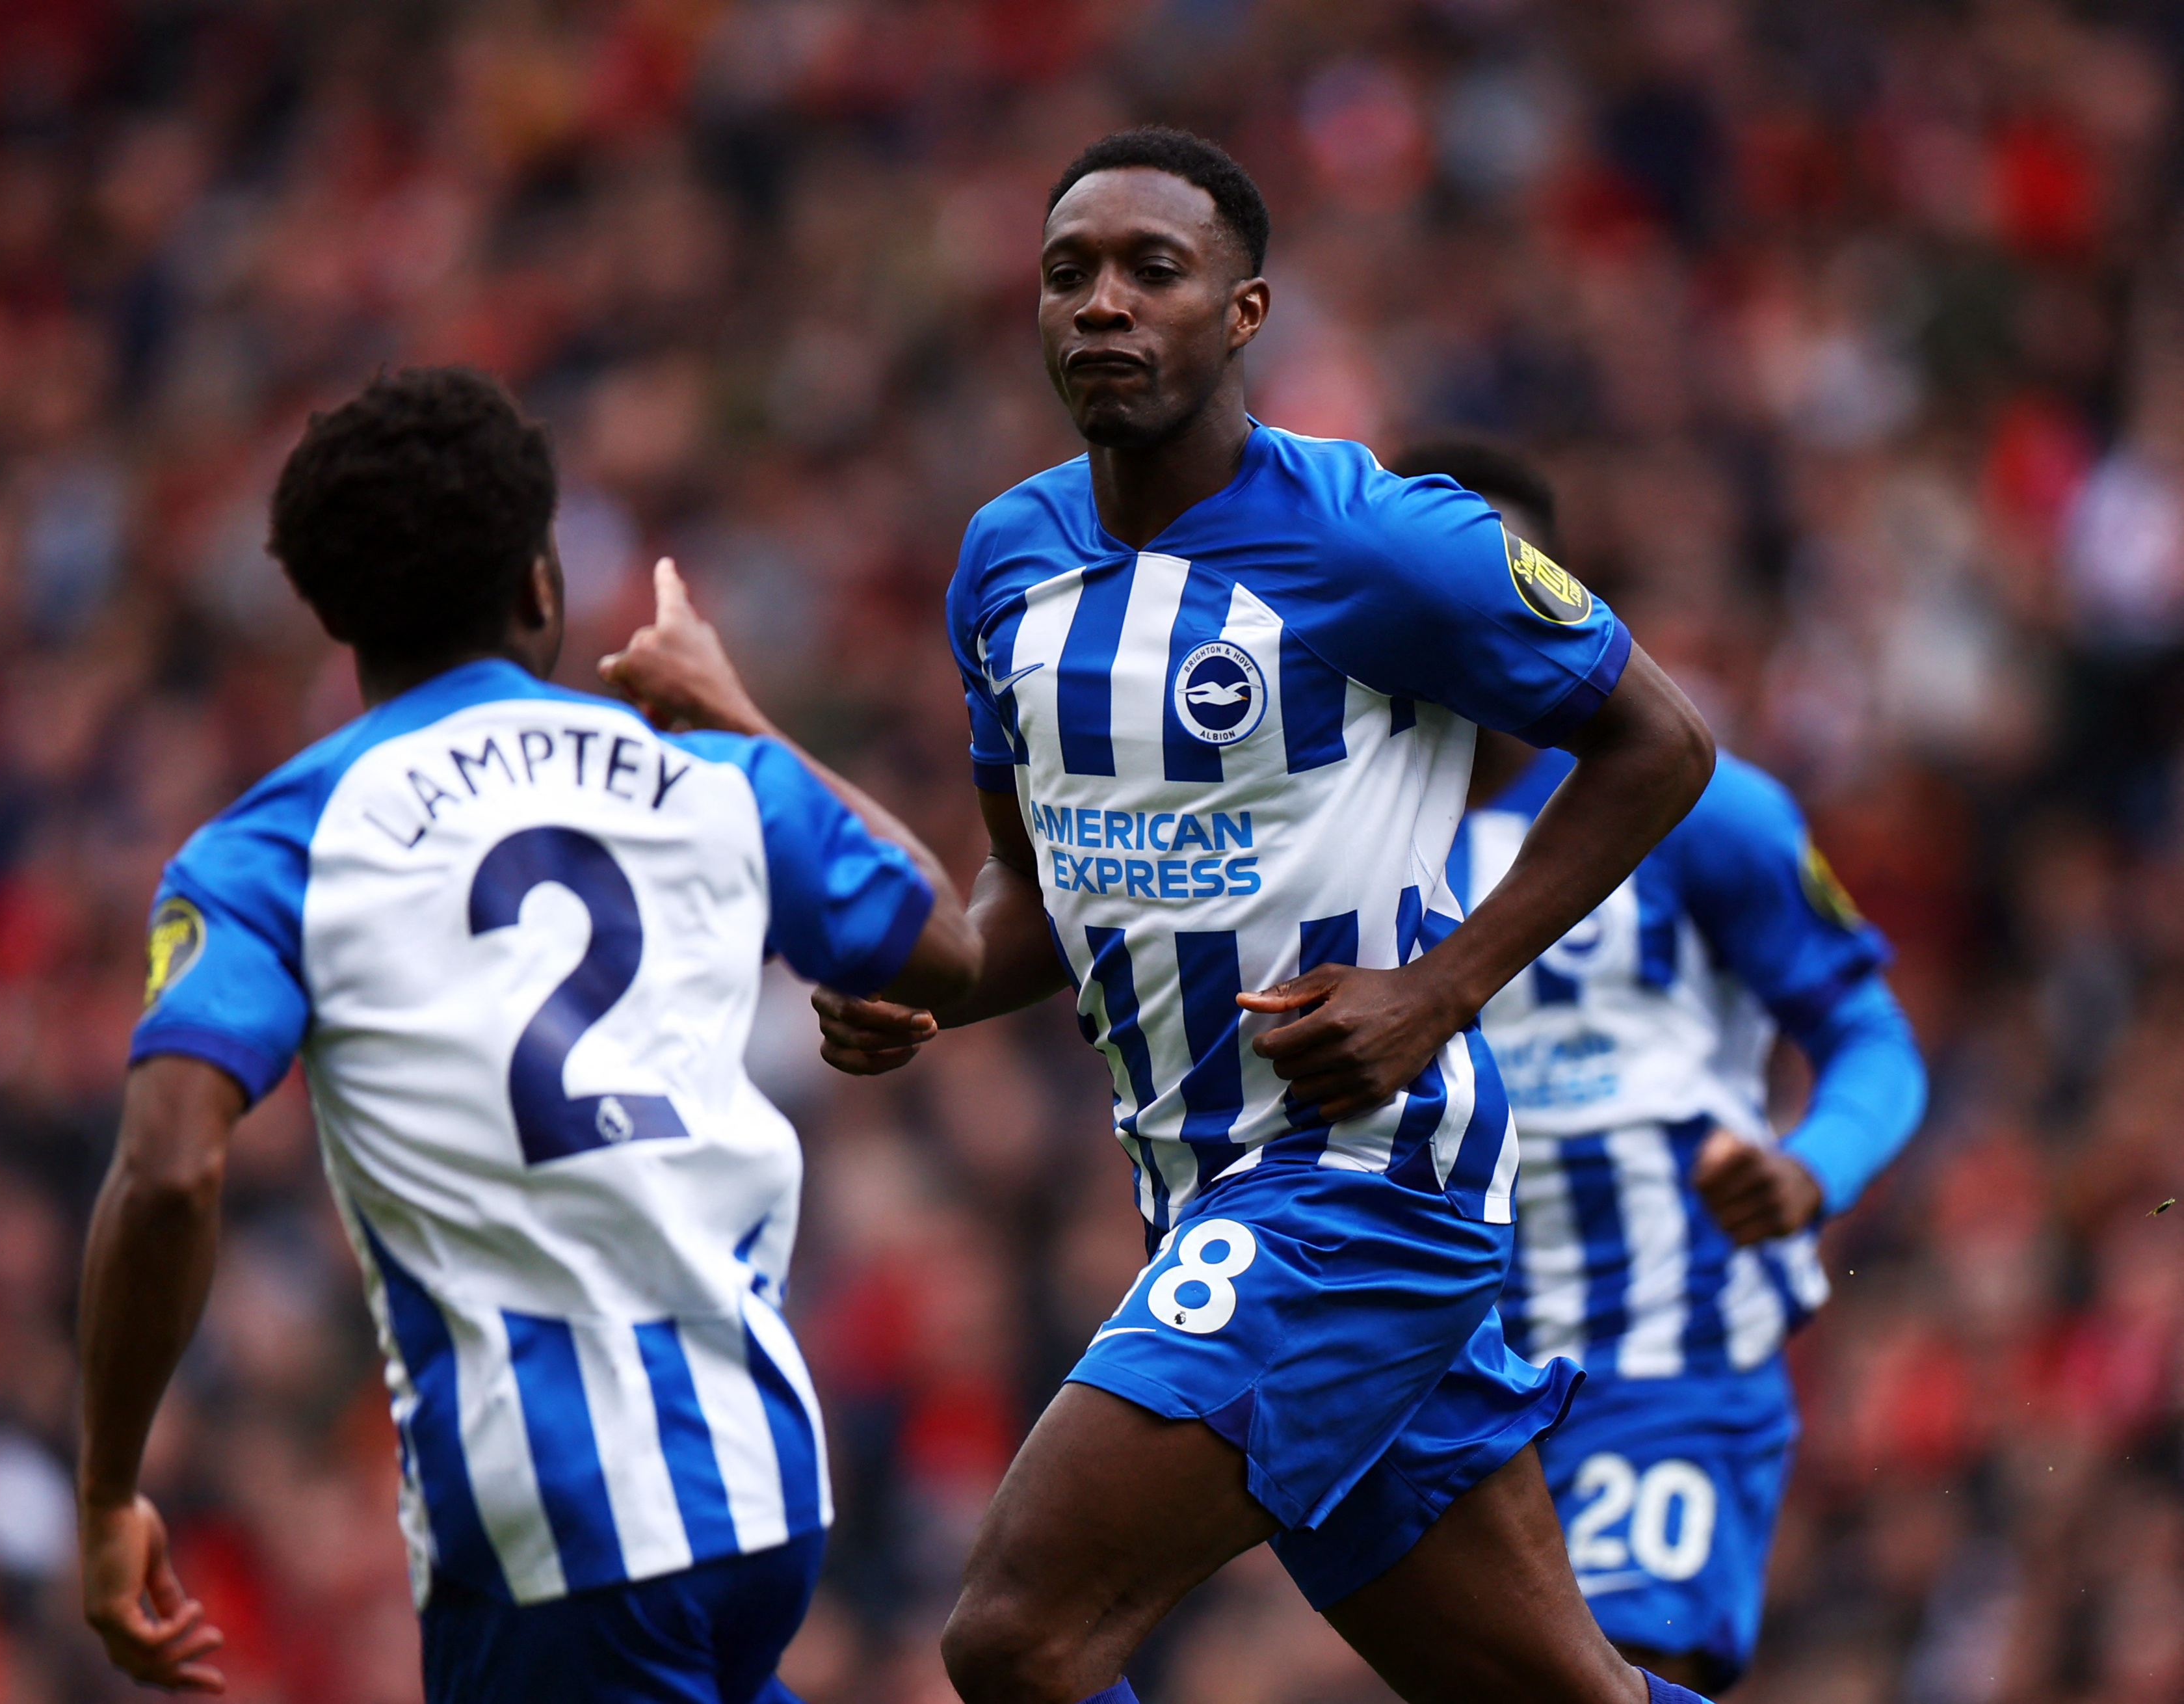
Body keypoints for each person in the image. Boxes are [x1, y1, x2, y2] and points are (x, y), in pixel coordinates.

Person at [811, 126, 1720, 1704]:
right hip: (1203, 1194)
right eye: (1066, 274)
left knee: (1015, 1636)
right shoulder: (1003, 566)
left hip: (1356, 1190)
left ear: (1242, 313)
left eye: (1150, 272)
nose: (1100, 305)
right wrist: (929, 983)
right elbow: (1031, 890)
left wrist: (1435, 988)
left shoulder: (1378, 538)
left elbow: (1660, 743)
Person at [73, 366, 980, 1701]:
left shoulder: (274, 843)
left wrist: (105, 1489)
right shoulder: (702, 772)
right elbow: (946, 947)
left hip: (556, 1513)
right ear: (541, 583)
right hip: (760, 1471)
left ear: (334, 617)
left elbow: (169, 1167)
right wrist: (738, 712)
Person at [1393, 440, 1929, 1692]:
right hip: (1446, 1370)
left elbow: (1870, 1036)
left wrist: (1809, 1172)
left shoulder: (1696, 804)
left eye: (1497, 583)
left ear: (1546, 595)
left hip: (1666, 1340)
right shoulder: (1334, 829)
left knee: (1621, 1668)